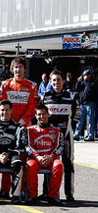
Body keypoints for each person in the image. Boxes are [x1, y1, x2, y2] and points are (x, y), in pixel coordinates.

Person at [39, 69, 76, 201]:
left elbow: (76, 116)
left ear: (63, 81)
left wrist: (72, 129)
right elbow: (40, 116)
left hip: (66, 135)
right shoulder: (45, 96)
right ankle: (47, 192)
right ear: (50, 81)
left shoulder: (70, 96)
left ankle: (69, 193)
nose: (56, 82)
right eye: (53, 80)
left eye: (58, 80)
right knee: (49, 162)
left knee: (68, 163)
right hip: (50, 136)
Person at [0, 100, 25, 204]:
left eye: (7, 110)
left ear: (11, 111)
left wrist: (8, 154)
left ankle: (16, 195)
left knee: (18, 163)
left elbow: (21, 147)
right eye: (2, 110)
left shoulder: (18, 127)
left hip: (12, 155)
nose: (4, 112)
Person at [24, 105, 65, 205]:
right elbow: (27, 146)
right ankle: (32, 196)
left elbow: (60, 147)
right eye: (39, 114)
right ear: (35, 116)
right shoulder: (30, 130)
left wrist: (51, 157)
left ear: (48, 114)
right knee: (31, 165)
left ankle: (53, 196)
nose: (41, 116)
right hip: (35, 158)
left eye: (44, 114)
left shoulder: (56, 131)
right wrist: (37, 156)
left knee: (59, 165)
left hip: (51, 158)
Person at [0, 57, 38, 126]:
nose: (18, 70)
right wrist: (11, 120)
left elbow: (32, 106)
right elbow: (1, 104)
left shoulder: (32, 86)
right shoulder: (5, 84)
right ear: (12, 69)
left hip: (25, 122)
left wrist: (22, 121)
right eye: (16, 67)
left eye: (20, 67)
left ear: (25, 69)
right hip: (8, 121)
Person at [74, 70, 97, 141]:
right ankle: (76, 135)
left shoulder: (93, 82)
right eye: (84, 75)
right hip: (82, 104)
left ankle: (90, 136)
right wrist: (78, 81)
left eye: (86, 75)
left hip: (90, 103)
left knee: (90, 120)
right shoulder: (82, 83)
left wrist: (86, 81)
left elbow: (90, 89)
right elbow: (76, 89)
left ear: (89, 75)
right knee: (80, 120)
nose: (85, 77)